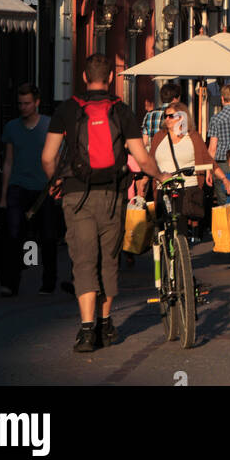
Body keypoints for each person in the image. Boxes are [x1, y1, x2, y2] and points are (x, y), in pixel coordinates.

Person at [41, 54, 162, 354]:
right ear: (110, 78)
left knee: (83, 260)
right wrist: (160, 174)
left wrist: (54, 180)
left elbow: (47, 156)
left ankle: (85, 330)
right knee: (108, 260)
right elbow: (142, 157)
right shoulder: (121, 111)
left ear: (84, 77)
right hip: (111, 195)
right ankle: (106, 323)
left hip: (75, 195)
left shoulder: (67, 109)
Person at [0, 84, 59, 297]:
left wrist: (56, 186)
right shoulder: (12, 127)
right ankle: (10, 282)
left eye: (27, 103)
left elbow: (56, 158)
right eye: (20, 103)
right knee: (14, 234)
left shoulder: (49, 126)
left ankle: (49, 281)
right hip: (18, 187)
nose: (23, 107)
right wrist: (3, 196)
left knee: (48, 237)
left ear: (37, 103)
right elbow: (8, 162)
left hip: (44, 190)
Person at [151, 102, 214, 239]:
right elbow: (150, 160)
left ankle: (182, 252)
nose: (167, 119)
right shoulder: (159, 136)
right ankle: (166, 254)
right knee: (164, 224)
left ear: (181, 117)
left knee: (181, 224)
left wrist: (225, 179)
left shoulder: (192, 136)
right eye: (165, 116)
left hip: (186, 187)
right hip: (163, 186)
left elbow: (207, 158)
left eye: (171, 116)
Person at [208, 85, 230, 205]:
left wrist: (208, 170)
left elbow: (212, 148)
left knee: (223, 199)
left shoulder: (216, 119)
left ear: (222, 99)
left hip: (221, 162)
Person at [142, 81, 181, 149]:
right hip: (171, 154)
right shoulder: (177, 115)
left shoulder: (149, 115)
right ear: (175, 99)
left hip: (153, 154)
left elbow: (145, 141)